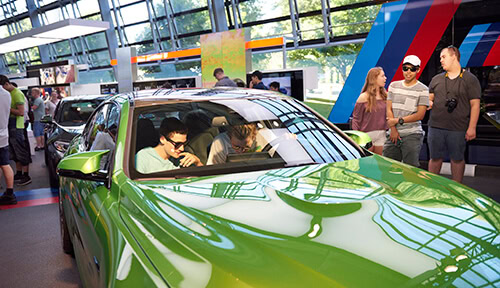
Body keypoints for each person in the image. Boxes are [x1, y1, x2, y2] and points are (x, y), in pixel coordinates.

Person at [427, 46, 481, 183]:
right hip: (435, 126)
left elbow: (475, 105)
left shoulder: (470, 79)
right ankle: (432, 187)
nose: (441, 60)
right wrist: (428, 103)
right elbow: (429, 98)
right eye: (440, 58)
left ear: (454, 56)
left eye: (443, 57)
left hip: (458, 128)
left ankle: (458, 189)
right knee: (434, 158)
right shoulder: (436, 79)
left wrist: (472, 127)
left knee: (457, 159)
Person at [383, 55, 429, 167]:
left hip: (412, 134)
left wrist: (397, 121)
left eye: (412, 69)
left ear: (418, 70)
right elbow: (388, 108)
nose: (408, 72)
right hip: (392, 133)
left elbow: (420, 115)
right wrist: (393, 129)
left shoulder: (423, 89)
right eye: (405, 68)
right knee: (388, 167)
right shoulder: (393, 86)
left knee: (411, 169)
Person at [135, 117, 203, 174]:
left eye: (184, 143)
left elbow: (203, 179)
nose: (182, 148)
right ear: (163, 140)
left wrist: (198, 162)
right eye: (177, 144)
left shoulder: (183, 157)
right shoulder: (143, 157)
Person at [0, 75, 31, 186]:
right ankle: (19, 172)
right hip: (10, 125)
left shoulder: (17, 94)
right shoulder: (9, 94)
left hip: (17, 125)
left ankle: (26, 175)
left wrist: (6, 108)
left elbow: (21, 112)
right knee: (14, 151)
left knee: (21, 149)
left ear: (7, 84)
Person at [351, 67, 387, 155]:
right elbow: (356, 119)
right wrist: (357, 139)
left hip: (382, 134)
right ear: (374, 78)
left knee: (380, 163)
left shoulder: (386, 96)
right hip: (366, 135)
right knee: (367, 164)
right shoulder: (363, 97)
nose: (385, 78)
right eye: (382, 76)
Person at [0, 83, 15, 205]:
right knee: (4, 163)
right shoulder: (6, 94)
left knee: (4, 164)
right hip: (4, 133)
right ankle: (9, 193)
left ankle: (9, 194)